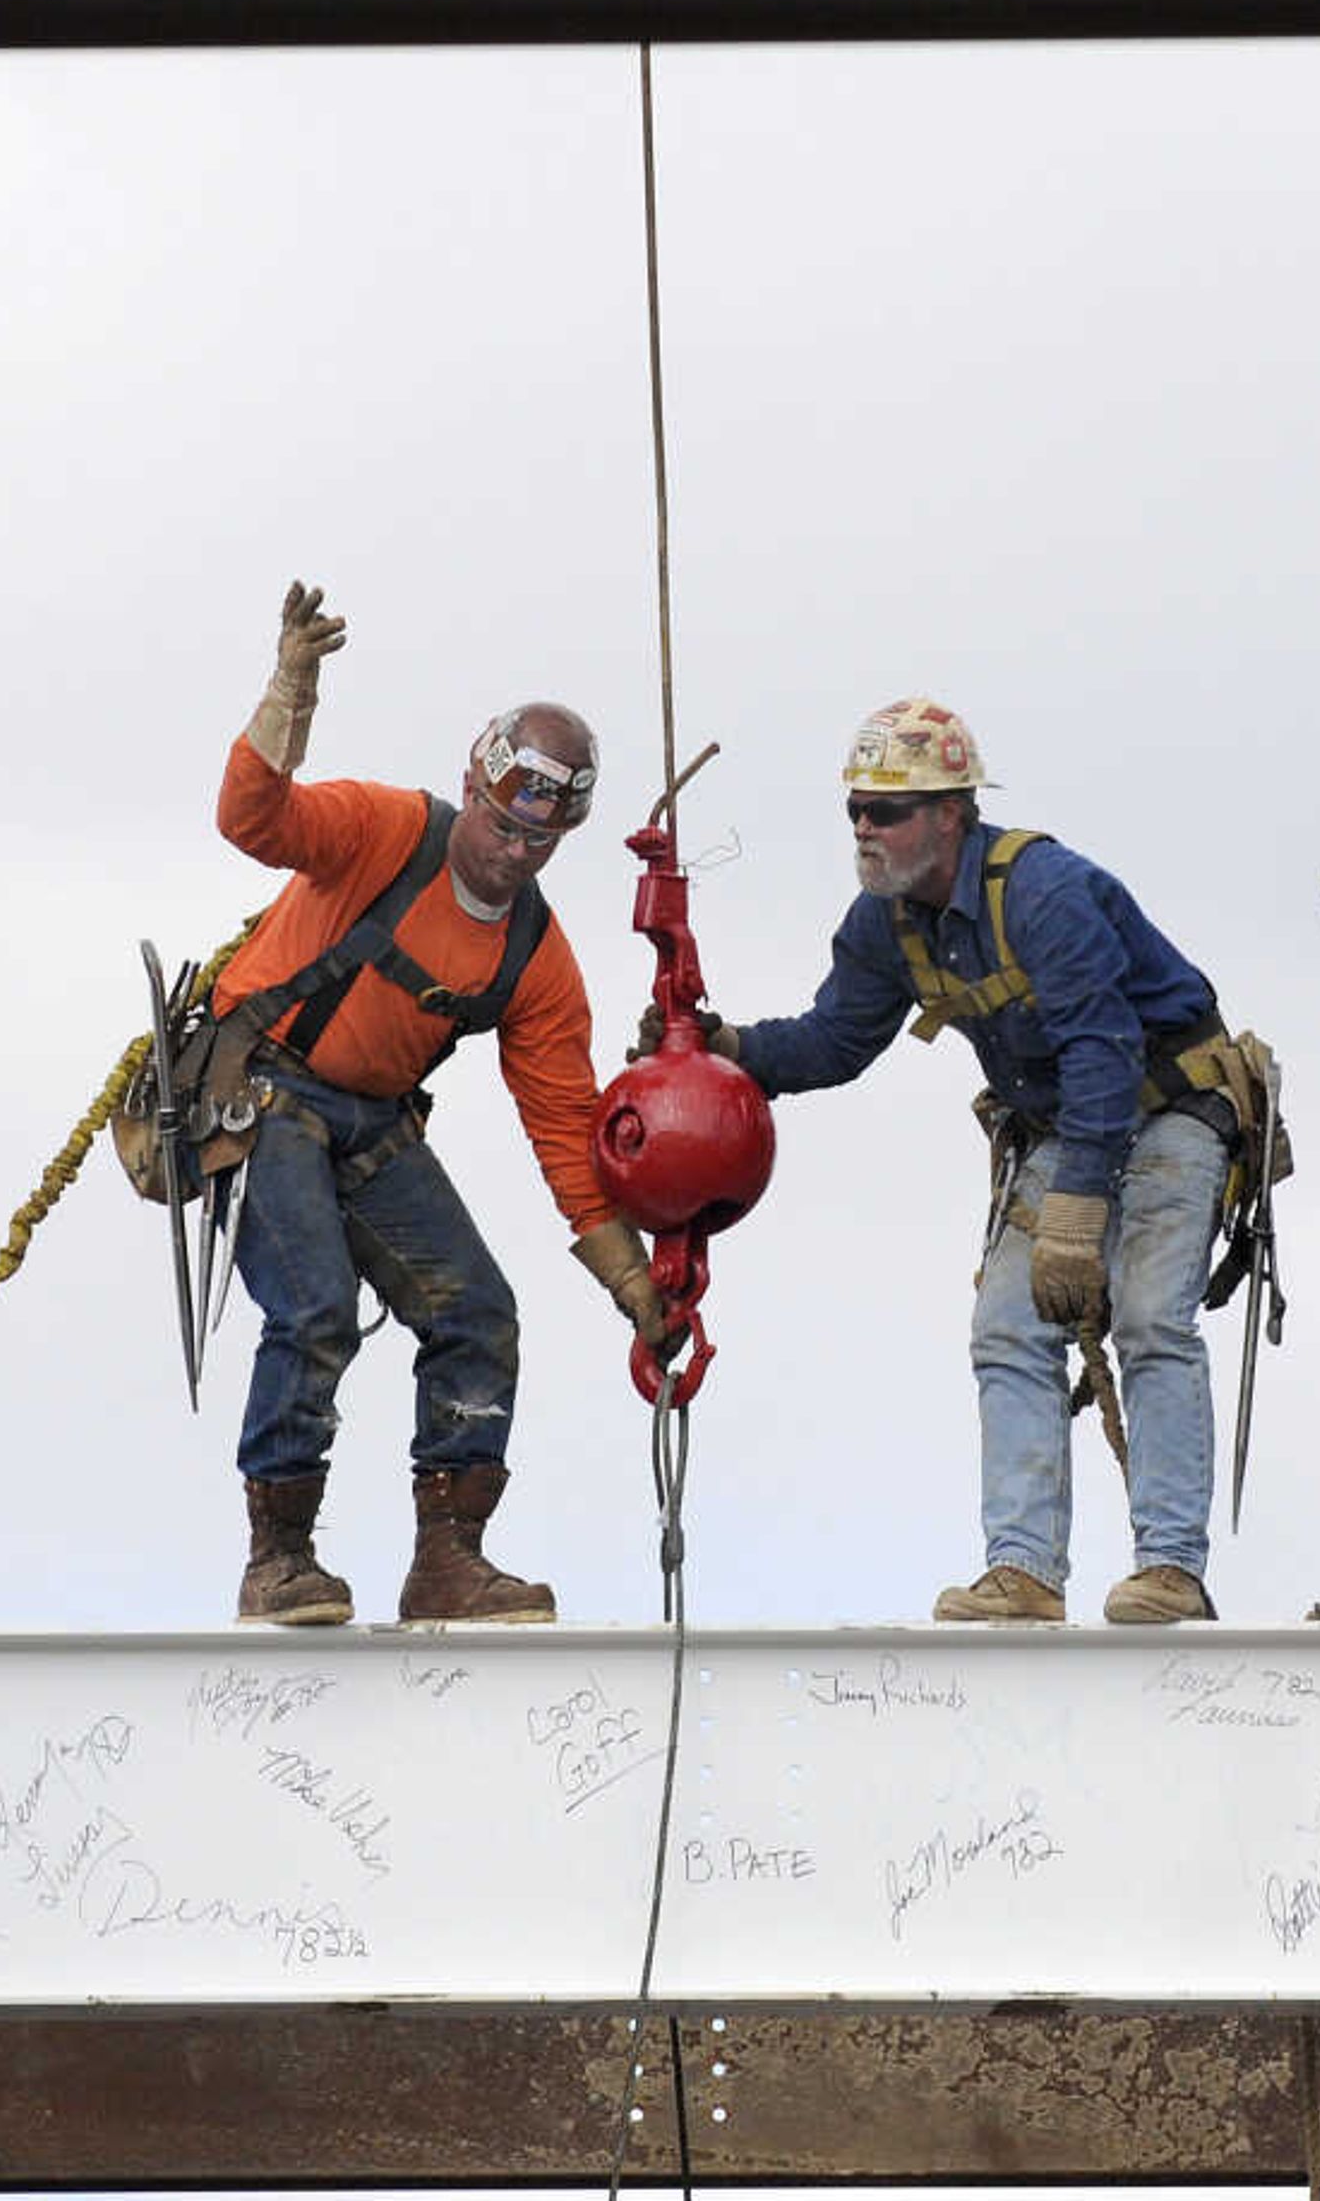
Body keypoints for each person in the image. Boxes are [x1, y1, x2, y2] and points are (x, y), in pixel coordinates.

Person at [675, 698, 1240, 1625]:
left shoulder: (1043, 893)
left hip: (1168, 1103)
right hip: (1066, 1124)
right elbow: (836, 1039)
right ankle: (1022, 1571)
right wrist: (726, 1046)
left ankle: (1171, 1569)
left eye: (888, 810)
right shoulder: (885, 923)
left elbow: (1102, 1046)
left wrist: (1076, 1210)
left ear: (951, 811)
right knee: (1007, 1329)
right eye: (856, 808)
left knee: (1150, 1319)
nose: (866, 826)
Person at [207, 579, 677, 1625]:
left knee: (477, 1311)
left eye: (540, 840)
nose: (516, 850)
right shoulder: (383, 829)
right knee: (315, 1304)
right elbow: (255, 818)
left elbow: (564, 1122)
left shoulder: (534, 956)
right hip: (262, 1087)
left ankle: (448, 1561)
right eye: (507, 823)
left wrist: (632, 1280)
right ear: (478, 786)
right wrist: (291, 688)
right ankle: (277, 1557)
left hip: (367, 1122)